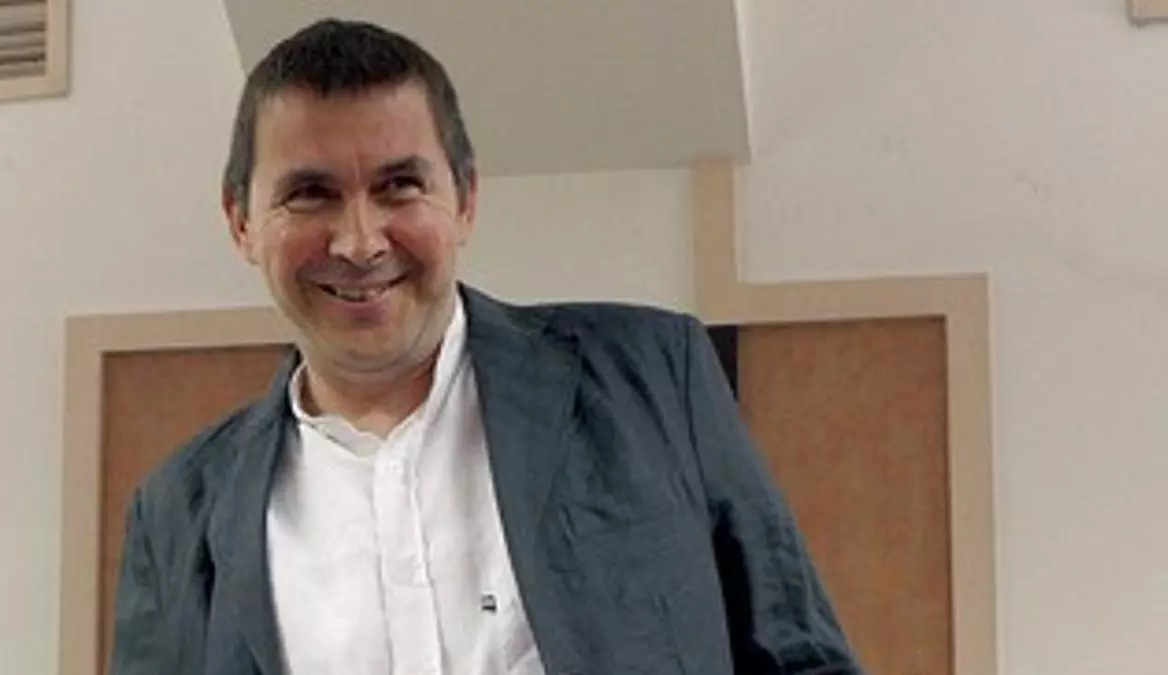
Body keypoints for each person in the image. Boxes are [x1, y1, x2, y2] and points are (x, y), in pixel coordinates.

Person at [109, 17, 862, 675]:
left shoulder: (654, 378)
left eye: (399, 186)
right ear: (241, 222)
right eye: (311, 194)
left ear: (465, 199)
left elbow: (801, 659)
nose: (360, 241)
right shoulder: (176, 514)